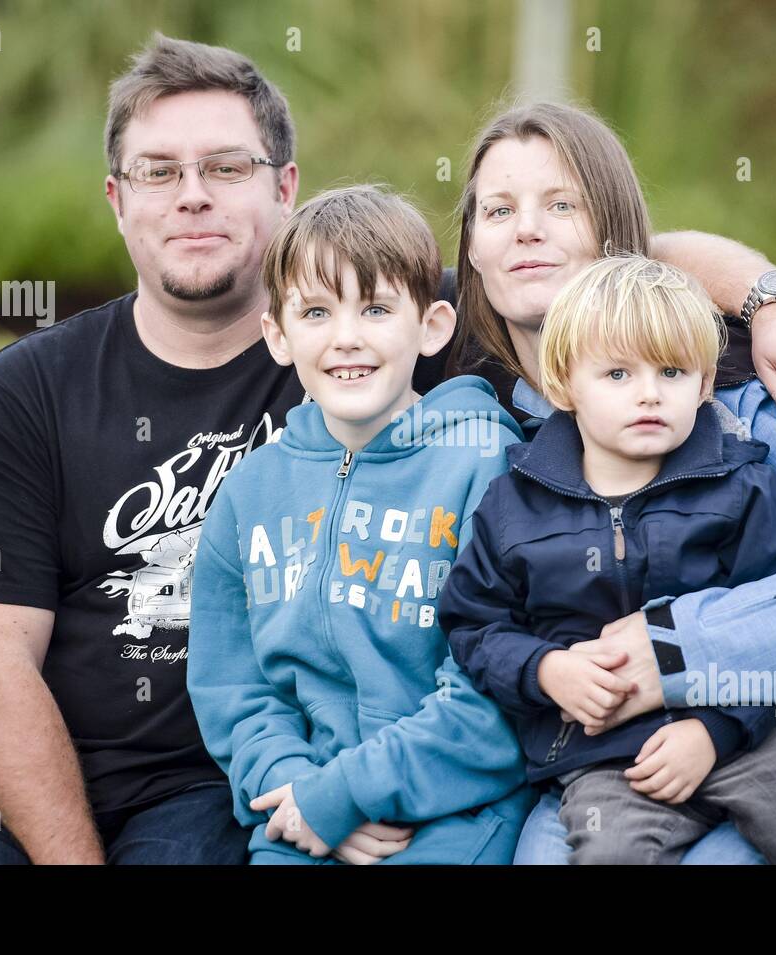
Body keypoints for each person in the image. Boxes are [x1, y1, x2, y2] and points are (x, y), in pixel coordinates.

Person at [0, 33, 776, 865]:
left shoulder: (414, 367)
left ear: (285, 188)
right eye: (159, 172)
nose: (192, 197)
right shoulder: (28, 390)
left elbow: (611, 257)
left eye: (227, 168)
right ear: (116, 198)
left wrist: (772, 296)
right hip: (192, 782)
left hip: (225, 794)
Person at [448, 101, 776, 864]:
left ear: (616, 237)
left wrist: (681, 647)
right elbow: (323, 289)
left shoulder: (754, 383)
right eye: (499, 210)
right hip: (611, 767)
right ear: (470, 251)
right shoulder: (482, 404)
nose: (527, 228)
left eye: (563, 204)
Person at [440, 254, 776, 863]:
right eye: (618, 374)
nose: (648, 394)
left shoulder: (741, 487)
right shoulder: (515, 504)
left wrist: (715, 730)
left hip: (751, 739)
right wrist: (548, 671)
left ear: (704, 385)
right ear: (565, 384)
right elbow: (474, 624)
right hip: (609, 757)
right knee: (609, 853)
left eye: (672, 372)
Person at [187, 184, 535, 864]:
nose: (347, 337)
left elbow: (493, 693)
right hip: (300, 816)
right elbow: (234, 687)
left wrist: (348, 792)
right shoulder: (250, 491)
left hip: (453, 815)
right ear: (278, 335)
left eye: (376, 308)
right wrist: (295, 785)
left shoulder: (482, 463)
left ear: (431, 326)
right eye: (316, 311)